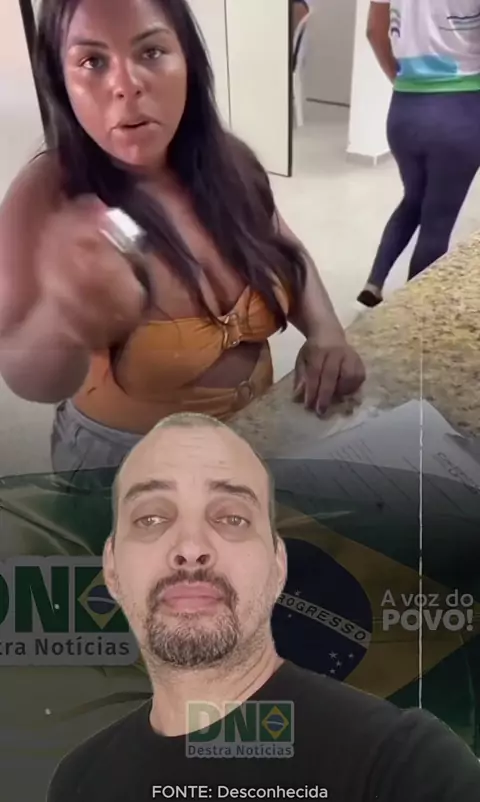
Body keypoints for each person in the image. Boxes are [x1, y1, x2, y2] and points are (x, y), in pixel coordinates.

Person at [40, 411, 480, 802]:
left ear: (277, 566)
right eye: (151, 518)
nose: (190, 548)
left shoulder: (407, 772)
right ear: (112, 568)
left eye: (232, 517)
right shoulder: (76, 784)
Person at [0, 0, 364, 475]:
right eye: (92, 61)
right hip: (122, 464)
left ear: (188, 58)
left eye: (151, 52)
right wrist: (64, 319)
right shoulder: (46, 195)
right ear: (59, 81)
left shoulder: (231, 163)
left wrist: (326, 332)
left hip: (256, 433)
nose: (126, 84)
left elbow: (286, 250)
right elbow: (25, 377)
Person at [358, 0, 480, 307]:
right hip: (461, 108)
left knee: (414, 199)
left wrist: (399, 80)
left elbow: (374, 30)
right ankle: (413, 315)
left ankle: (374, 282)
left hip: (405, 108)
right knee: (437, 222)